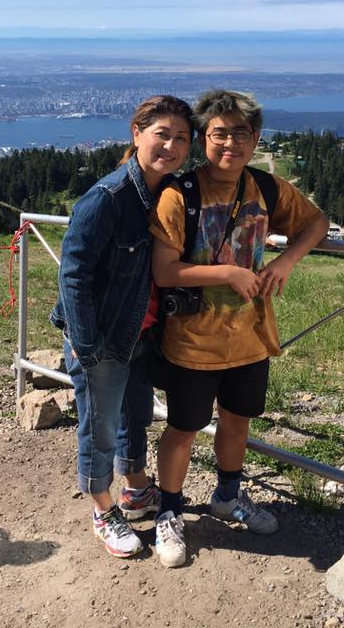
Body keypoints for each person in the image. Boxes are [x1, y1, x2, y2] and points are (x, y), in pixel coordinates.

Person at [148, 89, 329, 567]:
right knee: (183, 428)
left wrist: (287, 261)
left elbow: (316, 223)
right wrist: (228, 273)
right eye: (219, 134)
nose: (230, 143)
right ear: (203, 139)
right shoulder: (180, 195)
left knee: (237, 420)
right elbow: (164, 270)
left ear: (256, 138)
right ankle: (169, 511)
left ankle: (228, 496)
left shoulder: (266, 188)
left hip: (250, 337)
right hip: (192, 339)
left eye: (240, 134)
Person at [50, 95, 194, 558]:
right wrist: (86, 343)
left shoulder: (169, 193)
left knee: (135, 415)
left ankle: (135, 488)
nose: (171, 146)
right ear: (137, 133)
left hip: (140, 333)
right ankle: (102, 508)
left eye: (181, 138)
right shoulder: (108, 197)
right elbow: (73, 274)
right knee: (100, 427)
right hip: (103, 337)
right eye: (162, 134)